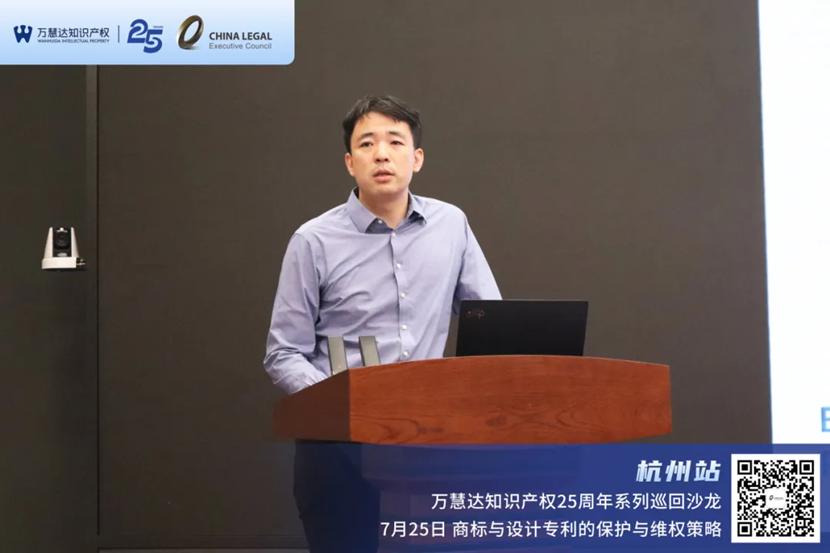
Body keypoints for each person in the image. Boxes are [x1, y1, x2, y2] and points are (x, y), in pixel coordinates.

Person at [264, 95, 501, 552]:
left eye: (395, 142)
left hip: (428, 444)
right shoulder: (313, 240)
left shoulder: (451, 225)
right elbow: (283, 353)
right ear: (350, 163)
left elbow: (491, 325)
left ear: (417, 158)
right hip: (337, 449)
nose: (381, 154)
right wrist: (340, 404)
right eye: (367, 144)